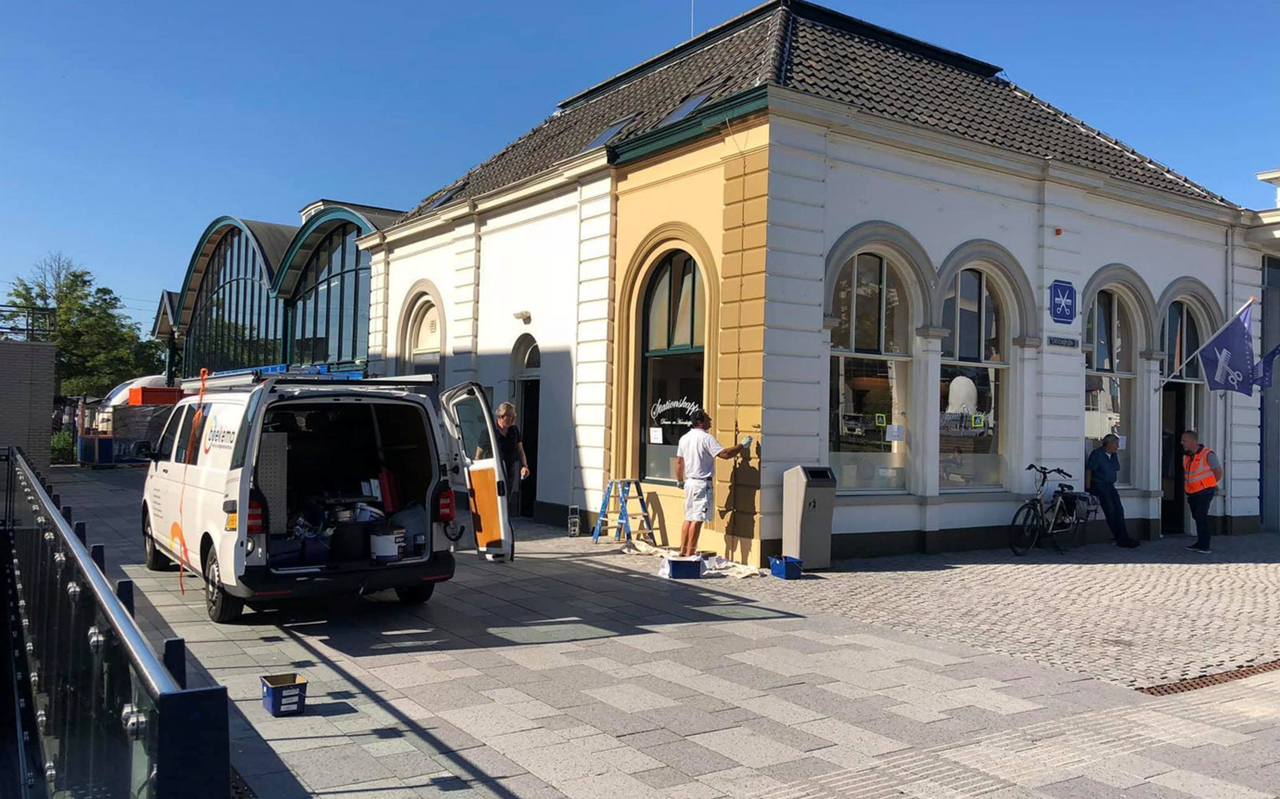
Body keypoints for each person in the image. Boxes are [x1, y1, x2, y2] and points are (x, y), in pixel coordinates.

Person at [675, 410, 750, 557]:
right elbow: (725, 454)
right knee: (697, 519)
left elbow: (679, 463)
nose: (710, 421)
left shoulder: (684, 438)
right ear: (700, 422)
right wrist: (741, 446)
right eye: (708, 419)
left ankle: (683, 551)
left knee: (689, 518)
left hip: (689, 482)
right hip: (701, 484)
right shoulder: (706, 438)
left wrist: (679, 481)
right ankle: (690, 554)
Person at [1084, 434, 1139, 548]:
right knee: (1110, 509)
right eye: (1116, 444)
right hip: (1099, 485)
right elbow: (1089, 470)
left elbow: (1116, 468)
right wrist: (1088, 488)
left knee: (1119, 509)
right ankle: (1119, 537)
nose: (1117, 447)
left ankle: (1124, 535)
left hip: (1110, 485)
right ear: (1108, 444)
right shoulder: (1097, 454)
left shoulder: (1113, 455)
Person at [1181, 430, 1222, 554]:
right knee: (1197, 517)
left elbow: (1218, 471)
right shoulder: (1187, 456)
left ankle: (1205, 545)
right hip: (1192, 491)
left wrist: (1211, 484)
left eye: (1185, 440)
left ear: (1193, 441)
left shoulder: (1208, 454)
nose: (1182, 443)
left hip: (1205, 490)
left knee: (1201, 516)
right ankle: (1200, 542)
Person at [492, 402, 529, 514]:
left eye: (514, 416)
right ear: (501, 416)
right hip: (494, 472)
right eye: (510, 416)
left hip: (509, 471)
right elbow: (479, 454)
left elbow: (520, 449)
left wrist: (524, 466)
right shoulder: (491, 432)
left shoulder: (514, 430)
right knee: (494, 502)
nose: (513, 419)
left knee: (505, 502)